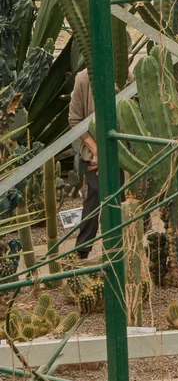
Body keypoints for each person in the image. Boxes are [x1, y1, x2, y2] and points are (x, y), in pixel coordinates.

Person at [67, 68, 98, 259]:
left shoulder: (124, 75)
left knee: (127, 200)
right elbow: (75, 119)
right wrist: (97, 150)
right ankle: (83, 249)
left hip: (123, 151)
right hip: (92, 154)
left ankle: (132, 245)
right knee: (94, 196)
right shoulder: (83, 79)